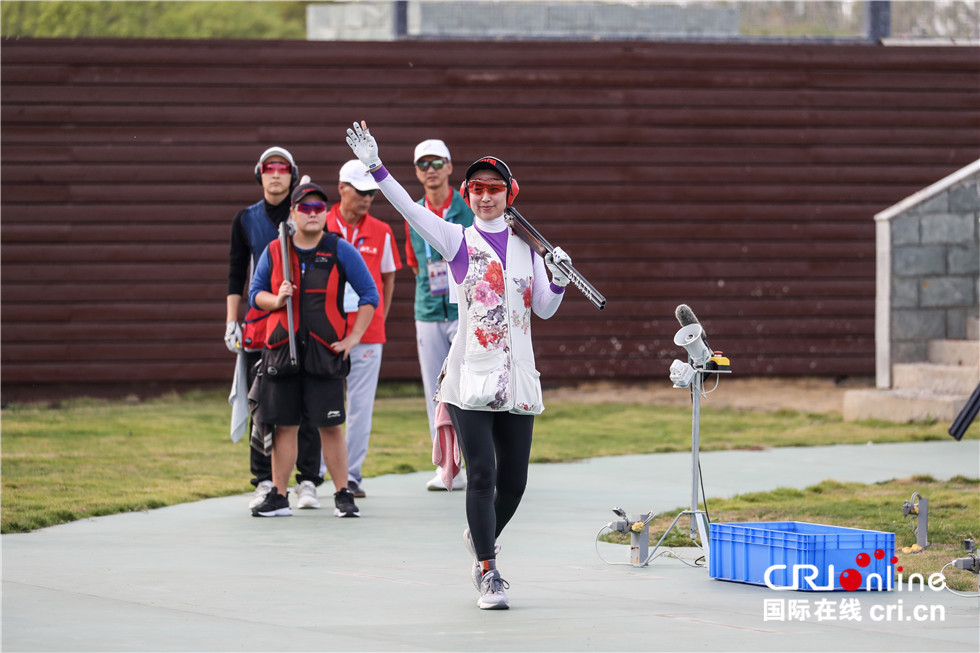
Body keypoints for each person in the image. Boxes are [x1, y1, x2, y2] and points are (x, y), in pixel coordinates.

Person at [346, 121, 571, 610]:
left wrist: (557, 278)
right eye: (477, 189)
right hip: (471, 377)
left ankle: (480, 537)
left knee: (515, 483)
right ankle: (489, 570)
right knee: (483, 474)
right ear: (467, 195)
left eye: (495, 188)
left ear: (510, 193)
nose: (486, 197)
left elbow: (544, 309)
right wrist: (375, 166)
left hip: (518, 379)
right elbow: (408, 208)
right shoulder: (456, 239)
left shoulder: (528, 247)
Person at [247, 180, 378, 518]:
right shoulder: (275, 250)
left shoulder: (339, 249)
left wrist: (353, 338)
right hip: (282, 352)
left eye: (319, 207)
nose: (312, 213)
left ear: (325, 213)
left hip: (324, 354)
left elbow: (369, 295)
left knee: (330, 426)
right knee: (284, 426)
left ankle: (343, 495)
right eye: (305, 207)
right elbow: (255, 294)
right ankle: (279, 496)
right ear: (293, 212)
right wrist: (277, 300)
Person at [224, 146, 326, 512]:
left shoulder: (306, 210)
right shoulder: (245, 219)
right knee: (263, 405)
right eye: (270, 168)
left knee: (308, 403)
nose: (276, 174)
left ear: (293, 174)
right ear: (260, 174)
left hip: (305, 322)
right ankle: (264, 481)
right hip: (261, 322)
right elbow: (237, 272)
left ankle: (308, 480)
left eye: (283, 168)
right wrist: (231, 320)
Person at [325, 160, 402, 499]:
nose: (368, 198)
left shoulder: (382, 230)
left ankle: (351, 475)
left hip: (368, 334)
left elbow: (388, 279)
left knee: (360, 408)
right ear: (342, 188)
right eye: (361, 191)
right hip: (325, 329)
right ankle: (313, 474)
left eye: (372, 193)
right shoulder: (320, 222)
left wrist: (377, 317)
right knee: (320, 405)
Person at [407, 139, 474, 491]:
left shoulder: (469, 208)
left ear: (449, 167)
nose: (430, 170)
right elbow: (415, 263)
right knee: (435, 390)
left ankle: (476, 462)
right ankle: (447, 467)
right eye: (423, 165)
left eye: (437, 163)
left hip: (467, 310)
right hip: (429, 311)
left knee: (471, 388)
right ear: (417, 172)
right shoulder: (412, 211)